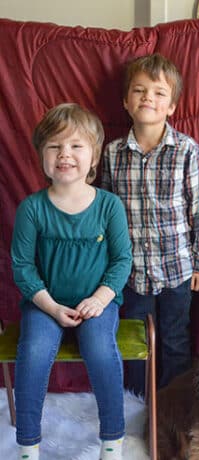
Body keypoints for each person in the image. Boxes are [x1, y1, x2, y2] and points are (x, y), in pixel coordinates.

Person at [11, 103, 132, 460]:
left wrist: (99, 300)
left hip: (97, 303)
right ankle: (28, 445)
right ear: (42, 156)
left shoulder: (109, 206)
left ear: (94, 155)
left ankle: (112, 441)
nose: (65, 154)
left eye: (76, 146)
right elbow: (22, 266)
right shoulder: (32, 208)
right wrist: (48, 305)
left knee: (100, 350)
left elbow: (122, 260)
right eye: (54, 146)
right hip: (45, 305)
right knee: (32, 352)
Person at [102, 53, 199, 395]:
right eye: (139, 90)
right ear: (125, 101)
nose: (148, 97)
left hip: (177, 269)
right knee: (135, 341)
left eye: (158, 92)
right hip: (131, 272)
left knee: (175, 339)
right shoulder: (112, 152)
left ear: (172, 106)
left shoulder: (187, 150)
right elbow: (105, 210)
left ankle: (172, 404)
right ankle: (138, 405)